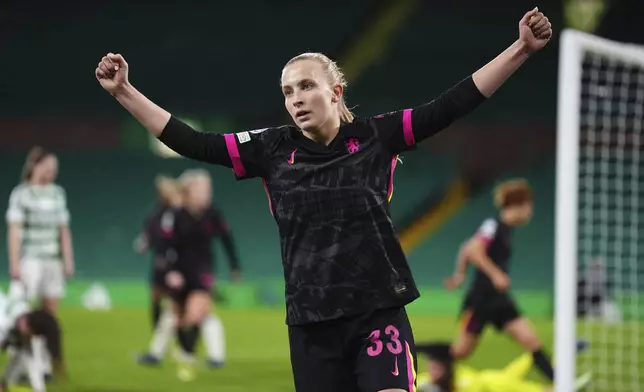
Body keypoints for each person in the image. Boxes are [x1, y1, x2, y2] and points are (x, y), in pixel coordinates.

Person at [95, 8, 552, 391]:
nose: (296, 98)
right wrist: (124, 92)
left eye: (307, 86)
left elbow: (452, 105)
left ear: (335, 92)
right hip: (312, 325)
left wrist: (521, 50)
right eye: (288, 91)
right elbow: (193, 142)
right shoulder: (270, 149)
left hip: (377, 311)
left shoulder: (377, 137)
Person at [433, 179, 556, 383]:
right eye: (529, 207)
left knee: (531, 340)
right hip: (481, 299)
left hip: (499, 299)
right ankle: (426, 366)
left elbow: (466, 248)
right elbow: (473, 249)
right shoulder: (493, 225)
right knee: (460, 351)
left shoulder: (507, 229)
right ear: (518, 205)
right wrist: (495, 274)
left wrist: (460, 275)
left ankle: (561, 384)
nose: (530, 213)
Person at [159, 169, 240, 379]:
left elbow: (226, 239)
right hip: (179, 271)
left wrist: (234, 266)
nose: (208, 193)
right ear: (190, 190)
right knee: (177, 317)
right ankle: (186, 353)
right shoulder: (175, 215)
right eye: (203, 188)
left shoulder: (212, 213)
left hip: (203, 271)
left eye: (208, 189)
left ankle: (190, 355)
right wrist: (170, 271)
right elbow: (165, 246)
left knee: (196, 313)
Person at [5, 146, 74, 378]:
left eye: (54, 168)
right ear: (35, 165)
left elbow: (63, 230)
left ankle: (44, 367)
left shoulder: (57, 193)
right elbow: (14, 231)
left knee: (49, 315)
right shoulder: (21, 194)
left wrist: (68, 259)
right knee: (24, 315)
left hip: (52, 260)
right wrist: (14, 263)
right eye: (47, 167)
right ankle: (19, 364)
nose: (51, 172)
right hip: (30, 260)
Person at [133, 175, 183, 365]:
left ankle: (176, 347)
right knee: (158, 302)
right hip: (160, 265)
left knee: (175, 307)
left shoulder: (179, 214)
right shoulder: (155, 215)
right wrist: (143, 243)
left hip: (176, 265)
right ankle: (162, 344)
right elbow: (148, 236)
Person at [416, 346, 592, 392]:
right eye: (431, 366)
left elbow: (474, 385)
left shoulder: (464, 381)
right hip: (496, 381)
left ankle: (567, 382)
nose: (432, 370)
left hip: (495, 385)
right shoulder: (426, 381)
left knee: (537, 384)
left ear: (447, 368)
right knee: (524, 362)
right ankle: (567, 353)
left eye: (436, 367)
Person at [0, 284, 65, 392]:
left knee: (21, 355)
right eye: (32, 334)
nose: (30, 337)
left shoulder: (22, 317)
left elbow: (30, 360)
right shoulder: (4, 325)